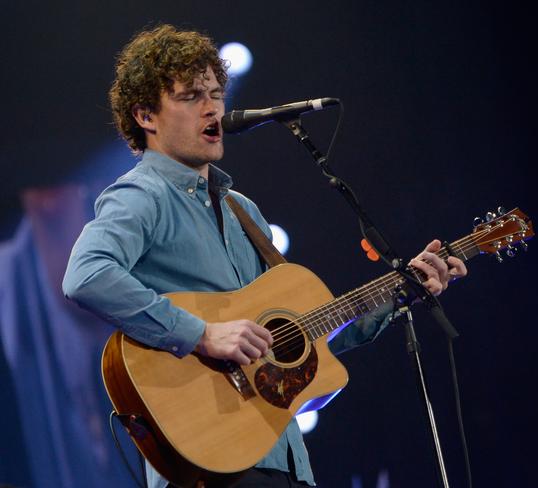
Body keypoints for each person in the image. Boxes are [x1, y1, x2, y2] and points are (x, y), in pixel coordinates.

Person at [62, 24, 467, 488]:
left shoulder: (242, 210)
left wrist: (403, 291)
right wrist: (202, 334)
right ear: (146, 116)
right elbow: (86, 275)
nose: (213, 106)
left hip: (281, 458)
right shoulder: (141, 195)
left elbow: (305, 338)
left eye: (215, 93)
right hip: (212, 458)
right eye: (192, 96)